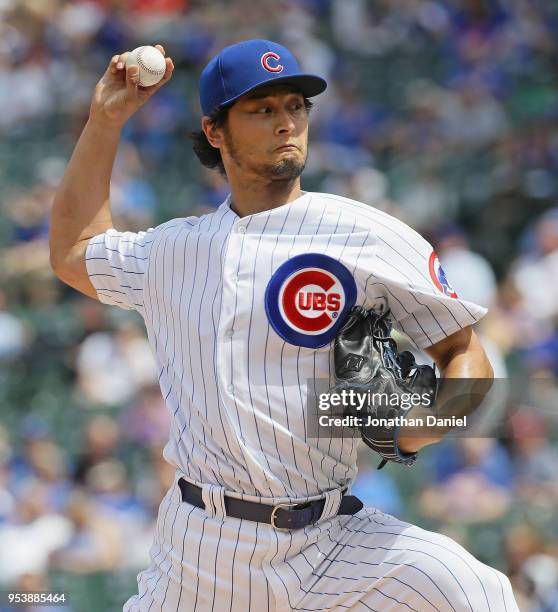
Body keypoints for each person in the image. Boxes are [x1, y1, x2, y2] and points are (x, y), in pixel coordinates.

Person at [50, 39, 518, 611]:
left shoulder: (365, 234)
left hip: (333, 539)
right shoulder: (172, 250)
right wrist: (105, 119)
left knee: (477, 592)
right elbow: (74, 252)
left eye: (296, 105)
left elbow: (464, 353)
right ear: (215, 132)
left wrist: (422, 425)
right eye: (263, 109)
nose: (286, 122)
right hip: (202, 547)